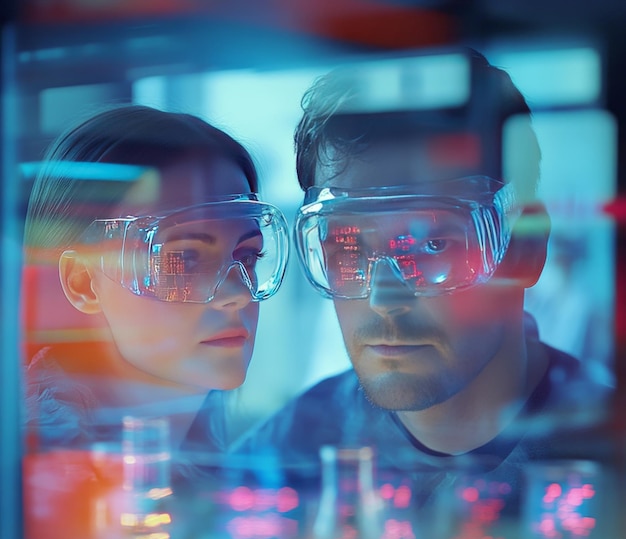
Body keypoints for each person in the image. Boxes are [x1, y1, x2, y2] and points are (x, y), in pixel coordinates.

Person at [235, 49, 612, 479]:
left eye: (433, 244)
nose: (383, 298)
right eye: (347, 247)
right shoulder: (280, 461)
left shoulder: (607, 451)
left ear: (525, 249)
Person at [22, 104, 289, 456]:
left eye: (247, 256)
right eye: (183, 260)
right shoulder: (24, 482)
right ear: (83, 281)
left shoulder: (230, 462)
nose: (238, 293)